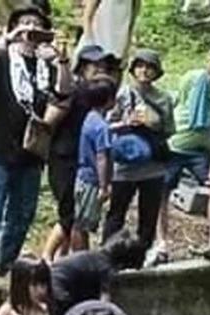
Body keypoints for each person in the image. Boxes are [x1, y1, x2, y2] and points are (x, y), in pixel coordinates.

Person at [0, 5, 71, 273]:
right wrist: (7, 39)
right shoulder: (2, 57)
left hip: (32, 150)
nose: (30, 29)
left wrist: (62, 60)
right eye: (25, 23)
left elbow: (64, 94)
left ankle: (6, 265)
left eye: (37, 25)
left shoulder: (47, 64)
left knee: (22, 213)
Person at [155, 43, 210, 260]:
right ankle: (161, 242)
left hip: (203, 151)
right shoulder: (192, 78)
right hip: (175, 144)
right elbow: (179, 105)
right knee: (161, 191)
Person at [43, 43, 120, 261]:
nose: (100, 70)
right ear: (82, 68)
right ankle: (53, 257)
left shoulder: (95, 97)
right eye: (95, 66)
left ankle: (67, 259)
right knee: (71, 216)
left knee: (76, 217)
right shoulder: (72, 90)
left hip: (79, 162)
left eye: (103, 66)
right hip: (65, 159)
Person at [105, 47, 173, 247]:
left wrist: (153, 124)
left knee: (148, 217)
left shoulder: (164, 98)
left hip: (153, 166)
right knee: (116, 214)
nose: (144, 71)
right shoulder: (122, 95)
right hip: (125, 165)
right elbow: (107, 125)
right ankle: (108, 254)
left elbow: (170, 129)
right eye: (140, 66)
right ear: (133, 70)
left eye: (150, 67)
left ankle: (140, 257)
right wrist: (126, 122)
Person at [47, 229, 145, 315]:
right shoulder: (106, 269)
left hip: (50, 282)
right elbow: (104, 304)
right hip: (60, 293)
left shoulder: (93, 256)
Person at [70, 74, 117, 251]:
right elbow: (102, 157)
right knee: (83, 224)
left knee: (79, 221)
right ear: (109, 100)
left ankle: (81, 255)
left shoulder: (89, 118)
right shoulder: (101, 127)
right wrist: (104, 186)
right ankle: (80, 257)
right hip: (91, 180)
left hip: (81, 176)